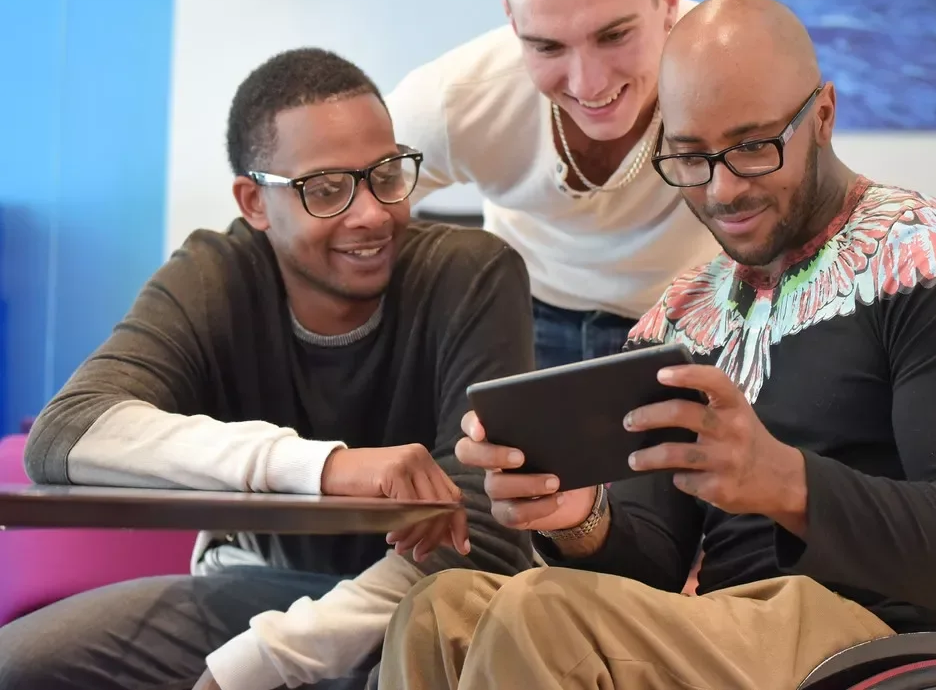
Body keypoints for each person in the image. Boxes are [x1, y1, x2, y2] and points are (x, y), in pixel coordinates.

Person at [377, 0, 936, 690]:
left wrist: (786, 482)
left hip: (873, 642)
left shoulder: (929, 260)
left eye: (753, 147)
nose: (723, 189)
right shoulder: (682, 315)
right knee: (437, 612)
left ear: (822, 115)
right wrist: (581, 518)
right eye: (691, 158)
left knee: (536, 613)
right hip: (721, 629)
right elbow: (655, 565)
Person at [0, 48, 536, 690]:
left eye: (387, 175)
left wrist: (265, 661)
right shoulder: (214, 276)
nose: (370, 213)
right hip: (251, 590)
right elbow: (65, 435)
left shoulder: (472, 276)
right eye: (328, 189)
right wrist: (325, 467)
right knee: (22, 664)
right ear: (255, 202)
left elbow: (484, 538)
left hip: (422, 608)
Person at [386, 0, 720, 370]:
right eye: (547, 47)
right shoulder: (454, 97)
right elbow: (342, 206)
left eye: (614, 35)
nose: (589, 82)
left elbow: (812, 215)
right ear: (513, 22)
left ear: (667, 0)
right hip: (520, 313)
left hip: (696, 315)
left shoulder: (726, 70)